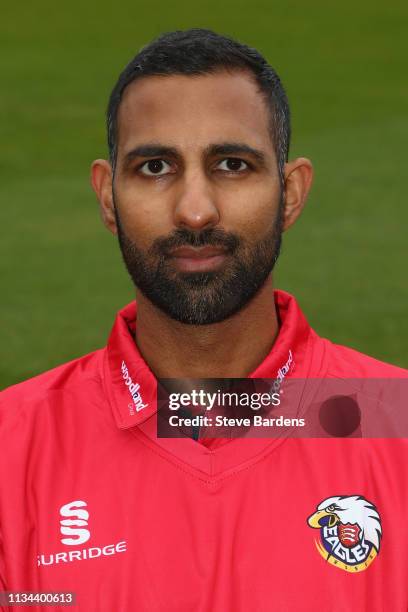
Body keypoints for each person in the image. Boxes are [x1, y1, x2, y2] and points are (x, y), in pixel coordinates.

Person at [0, 28, 407, 612]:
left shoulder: (397, 427)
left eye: (233, 164)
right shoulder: (13, 451)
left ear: (290, 194)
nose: (195, 210)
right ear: (108, 197)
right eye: (156, 166)